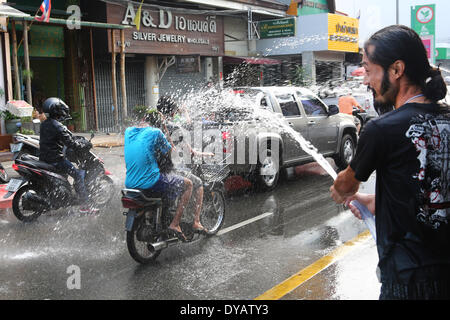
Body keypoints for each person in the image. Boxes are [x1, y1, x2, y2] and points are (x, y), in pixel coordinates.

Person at [330, 25, 450, 300]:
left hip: (407, 282)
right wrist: (376, 202)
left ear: (396, 70)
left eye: (369, 70)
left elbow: (343, 188)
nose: (365, 81)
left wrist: (343, 189)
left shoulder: (381, 129)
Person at [124, 107, 199, 241]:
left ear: (143, 120)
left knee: (166, 186)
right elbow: (173, 154)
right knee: (188, 184)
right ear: (159, 124)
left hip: (130, 183)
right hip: (150, 182)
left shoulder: (128, 132)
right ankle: (175, 224)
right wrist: (164, 129)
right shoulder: (156, 132)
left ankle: (156, 216)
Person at [154, 96, 213, 234]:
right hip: (166, 171)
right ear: (172, 112)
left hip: (150, 169)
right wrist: (203, 154)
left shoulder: (151, 125)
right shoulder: (172, 127)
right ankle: (195, 222)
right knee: (197, 183)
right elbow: (189, 151)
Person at [39, 97, 97, 214]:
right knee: (78, 176)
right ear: (56, 111)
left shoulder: (44, 124)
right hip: (56, 159)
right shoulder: (58, 126)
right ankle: (85, 206)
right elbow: (70, 143)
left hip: (44, 158)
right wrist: (81, 146)